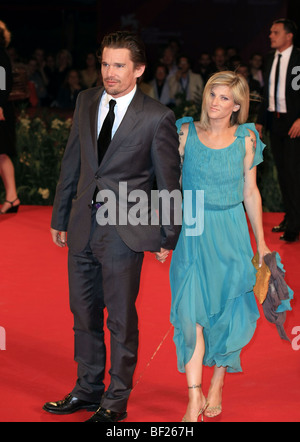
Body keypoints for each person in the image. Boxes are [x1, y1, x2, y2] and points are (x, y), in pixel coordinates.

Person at [43, 31, 181, 422]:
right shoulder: (86, 101)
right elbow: (73, 161)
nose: (109, 72)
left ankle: (115, 400)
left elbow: (168, 181)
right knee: (83, 312)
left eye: (119, 65)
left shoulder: (157, 117)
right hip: (84, 223)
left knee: (120, 318)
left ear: (138, 70)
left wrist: (167, 235)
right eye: (105, 63)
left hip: (125, 229)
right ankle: (87, 389)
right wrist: (59, 216)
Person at [170, 71, 270, 422]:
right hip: (194, 230)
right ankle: (194, 396)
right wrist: (164, 233)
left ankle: (217, 382)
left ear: (237, 106)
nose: (215, 102)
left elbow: (250, 192)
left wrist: (261, 243)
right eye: (213, 94)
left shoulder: (246, 139)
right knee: (188, 313)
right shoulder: (185, 133)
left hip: (230, 232)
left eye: (225, 98)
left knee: (225, 314)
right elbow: (173, 185)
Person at [256, 18, 300, 243]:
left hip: (295, 124)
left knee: (293, 174)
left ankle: (294, 224)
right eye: (270, 32)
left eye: (275, 32)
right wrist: (260, 120)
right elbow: (267, 92)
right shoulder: (270, 58)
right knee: (283, 173)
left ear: (289, 35)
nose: (271, 35)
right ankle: (291, 216)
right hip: (276, 122)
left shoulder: (298, 58)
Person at [0, 20, 20, 215]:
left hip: (1, 110)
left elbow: (3, 84)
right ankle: (12, 197)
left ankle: (12, 197)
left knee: (2, 153)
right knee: (1, 155)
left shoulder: (1, 56)